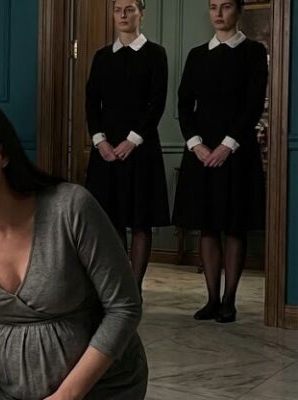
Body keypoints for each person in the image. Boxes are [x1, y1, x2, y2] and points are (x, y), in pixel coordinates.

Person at [0, 95, 148, 400]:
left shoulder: (71, 208)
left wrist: (65, 396)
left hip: (102, 387)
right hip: (8, 387)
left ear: (2, 154)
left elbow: (124, 308)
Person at [172, 0, 267, 323]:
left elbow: (254, 104)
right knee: (208, 225)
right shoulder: (197, 55)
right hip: (201, 152)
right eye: (213, 6)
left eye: (225, 6)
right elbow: (184, 105)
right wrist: (196, 145)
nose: (218, 13)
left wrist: (227, 145)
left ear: (238, 10)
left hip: (238, 152)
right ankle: (212, 299)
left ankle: (229, 300)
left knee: (234, 226)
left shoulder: (254, 52)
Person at [84, 0, 170, 293]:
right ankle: (121, 287)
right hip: (106, 151)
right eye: (118, 9)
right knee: (112, 222)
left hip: (141, 149)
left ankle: (135, 289)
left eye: (130, 8)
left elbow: (157, 103)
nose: (123, 14)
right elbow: (91, 103)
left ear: (141, 13)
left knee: (141, 221)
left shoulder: (156, 54)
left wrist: (132, 140)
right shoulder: (101, 57)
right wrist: (100, 141)